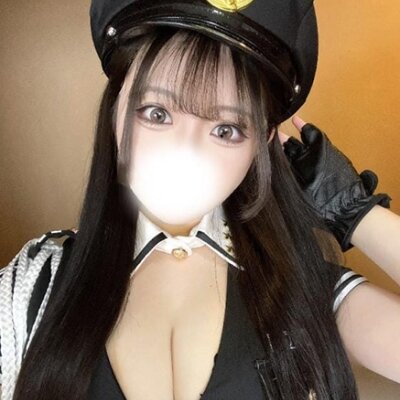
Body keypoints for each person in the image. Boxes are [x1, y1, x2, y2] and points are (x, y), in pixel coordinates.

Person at [0, 1, 399, 399]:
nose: (185, 151)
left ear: (262, 145)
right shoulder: (36, 285)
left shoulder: (304, 289)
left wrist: (354, 212)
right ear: (115, 108)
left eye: (226, 130)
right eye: (157, 113)